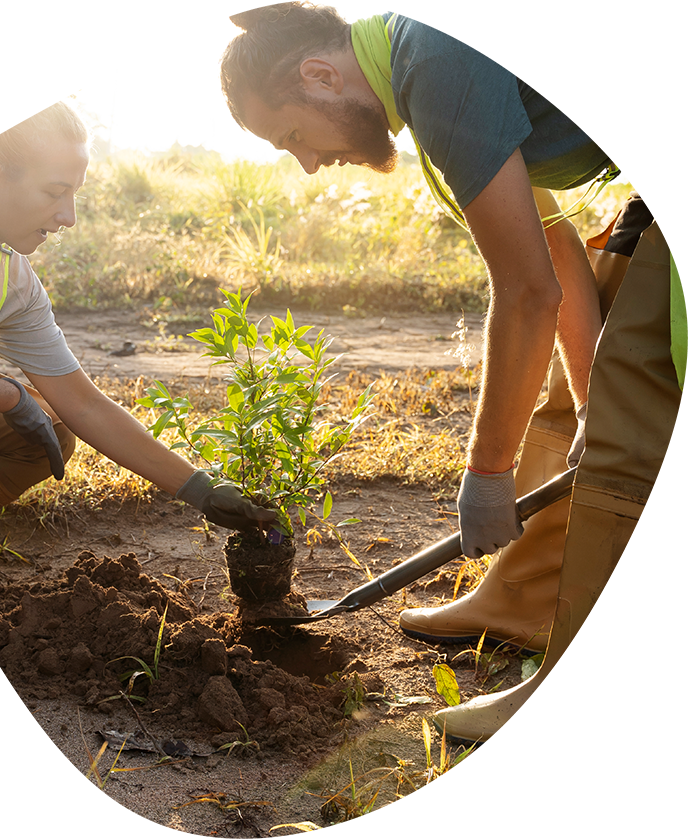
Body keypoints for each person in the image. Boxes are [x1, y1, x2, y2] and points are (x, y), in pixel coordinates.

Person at [219, 2, 619, 652]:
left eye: (292, 136)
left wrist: (488, 471)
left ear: (319, 76)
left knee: (658, 378)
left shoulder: (433, 64)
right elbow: (551, 252)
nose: (309, 163)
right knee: (624, 358)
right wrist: (592, 405)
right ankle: (532, 600)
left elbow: (526, 295)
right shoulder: (422, 49)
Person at [0, 103, 275, 539]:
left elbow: (83, 404)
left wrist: (200, 490)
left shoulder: (11, 280)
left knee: (48, 432)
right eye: (54, 193)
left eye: (74, 196)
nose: (69, 217)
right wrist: (9, 395)